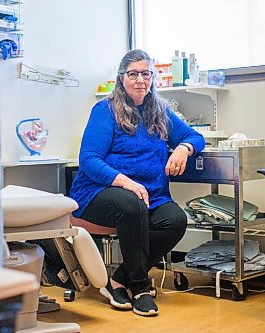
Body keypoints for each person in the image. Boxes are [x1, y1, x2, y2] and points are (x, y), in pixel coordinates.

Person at [70, 49, 205, 317]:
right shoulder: (105, 110)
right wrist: (125, 182)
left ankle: (119, 279)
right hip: (99, 192)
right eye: (133, 74)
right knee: (131, 205)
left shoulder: (160, 110)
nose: (140, 80)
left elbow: (193, 135)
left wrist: (183, 148)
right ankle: (142, 288)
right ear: (122, 78)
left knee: (175, 219)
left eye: (146, 74)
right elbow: (88, 160)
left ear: (152, 78)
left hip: (151, 195)